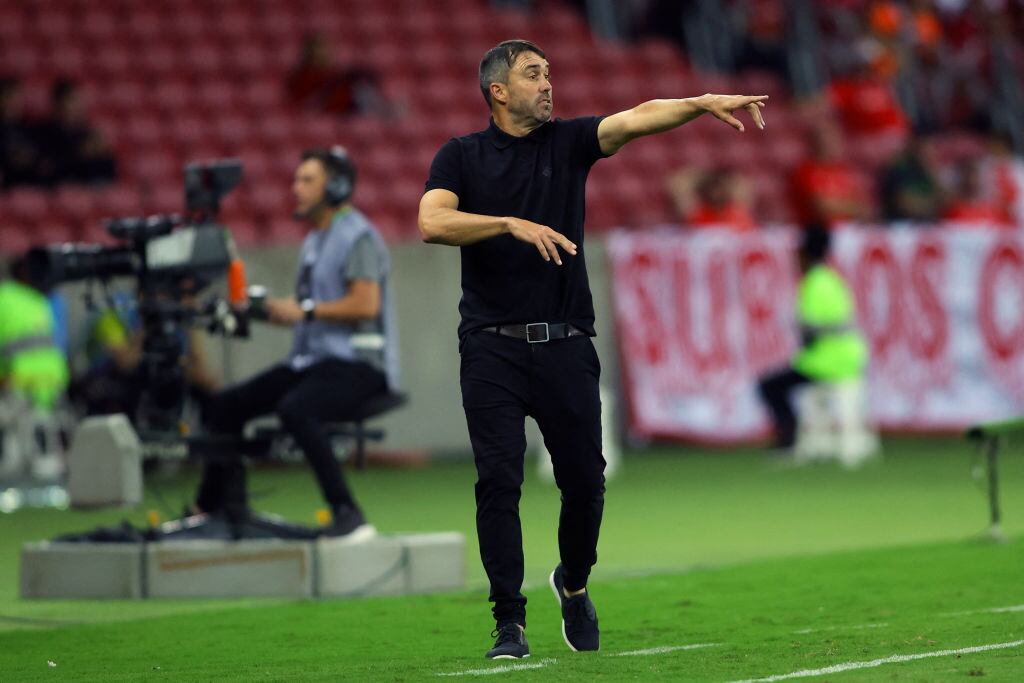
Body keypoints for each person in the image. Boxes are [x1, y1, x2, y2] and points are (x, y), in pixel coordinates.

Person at [418, 38, 767, 659]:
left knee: (585, 482)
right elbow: (430, 222)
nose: (548, 83)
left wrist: (698, 102)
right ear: (498, 91)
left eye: (549, 72)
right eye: (533, 74)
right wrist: (506, 223)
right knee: (498, 482)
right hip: (490, 349)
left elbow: (635, 118)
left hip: (565, 344)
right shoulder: (462, 157)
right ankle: (509, 622)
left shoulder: (569, 142)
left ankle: (572, 584)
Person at [193, 147, 398, 538]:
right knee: (224, 406)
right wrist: (262, 310)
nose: (295, 188)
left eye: (307, 180)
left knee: (295, 409)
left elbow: (365, 303)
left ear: (336, 186)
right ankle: (213, 508)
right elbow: (307, 310)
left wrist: (303, 310)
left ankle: (347, 512)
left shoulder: (358, 237)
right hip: (314, 363)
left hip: (358, 365)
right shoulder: (316, 240)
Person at [757, 225, 867, 450]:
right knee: (782, 381)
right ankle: (797, 437)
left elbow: (811, 330)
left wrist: (800, 331)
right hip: (852, 358)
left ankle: (788, 439)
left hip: (827, 362)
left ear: (803, 252)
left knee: (769, 386)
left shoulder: (813, 283)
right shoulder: (834, 280)